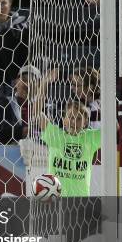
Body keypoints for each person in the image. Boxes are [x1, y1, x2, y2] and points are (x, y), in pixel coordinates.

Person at [32, 69, 101, 197]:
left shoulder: (91, 137)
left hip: (81, 203)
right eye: (71, 117)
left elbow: (113, 127)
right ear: (64, 121)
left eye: (79, 118)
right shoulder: (56, 135)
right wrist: (44, 83)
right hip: (56, 201)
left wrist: (104, 90)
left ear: (86, 123)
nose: (74, 122)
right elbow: (35, 113)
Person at [0, 64, 40, 144]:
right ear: (15, 82)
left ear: (39, 85)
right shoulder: (3, 103)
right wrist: (22, 131)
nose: (28, 84)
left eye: (33, 81)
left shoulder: (46, 108)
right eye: (24, 80)